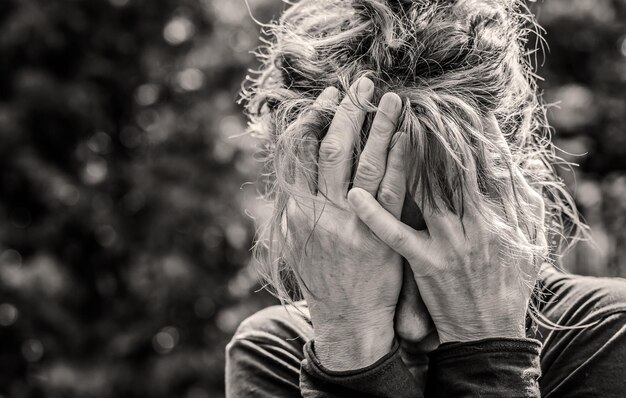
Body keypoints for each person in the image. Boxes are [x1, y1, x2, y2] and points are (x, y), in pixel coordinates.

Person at [226, 0, 626, 396]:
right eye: (375, 266)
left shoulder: (609, 334)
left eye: (451, 256)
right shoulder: (275, 354)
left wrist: (486, 343)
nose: (413, 327)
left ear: (518, 195)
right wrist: (349, 342)